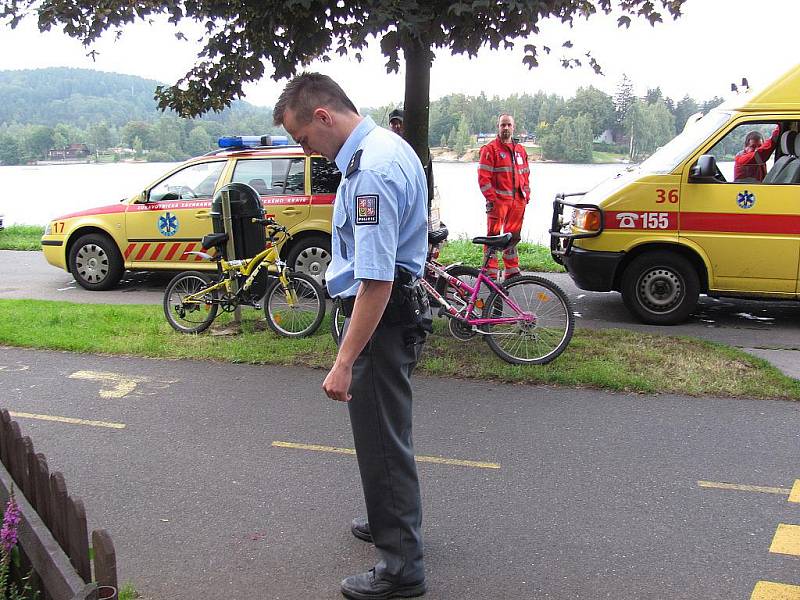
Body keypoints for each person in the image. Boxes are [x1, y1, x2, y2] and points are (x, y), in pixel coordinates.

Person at [274, 73, 431, 600]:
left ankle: (401, 568)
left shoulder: (372, 173)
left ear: (323, 117)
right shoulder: (387, 148)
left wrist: (344, 360)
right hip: (391, 317)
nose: (306, 150)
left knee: (382, 440)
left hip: (381, 322)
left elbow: (377, 278)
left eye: (302, 139)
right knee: (388, 433)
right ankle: (389, 519)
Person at [477, 113, 530, 279]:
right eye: (503, 125)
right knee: (493, 237)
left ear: (513, 127)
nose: (506, 128)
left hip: (518, 202)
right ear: (498, 127)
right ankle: (490, 272)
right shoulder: (490, 149)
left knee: (513, 237)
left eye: (508, 125)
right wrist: (492, 198)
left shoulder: (520, 151)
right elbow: (483, 177)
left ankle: (512, 270)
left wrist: (526, 195)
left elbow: (526, 174)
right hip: (498, 202)